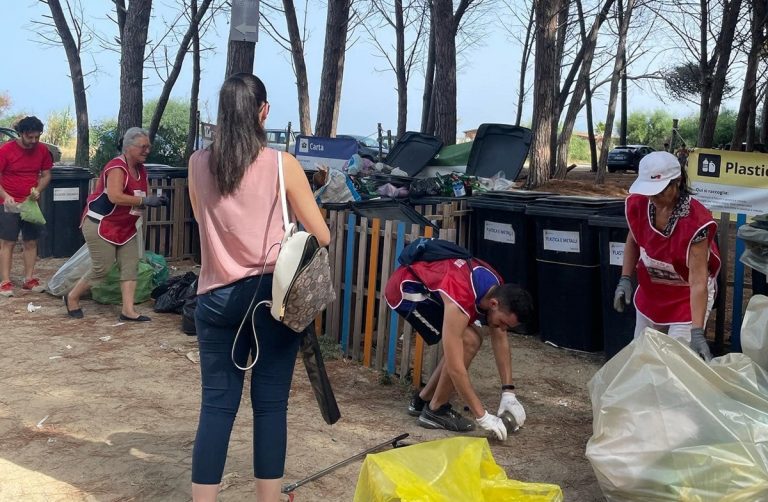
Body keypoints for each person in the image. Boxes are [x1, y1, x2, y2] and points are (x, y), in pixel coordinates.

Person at [187, 73, 330, 502]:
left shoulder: (197, 163)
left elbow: (201, 220)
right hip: (270, 300)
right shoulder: (280, 164)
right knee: (270, 407)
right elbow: (320, 235)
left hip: (213, 298)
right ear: (263, 112)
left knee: (216, 407)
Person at [385, 251, 534, 441]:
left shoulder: (496, 286)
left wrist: (508, 392)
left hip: (433, 286)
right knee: (469, 341)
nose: (503, 328)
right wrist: (483, 416)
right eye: (503, 321)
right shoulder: (461, 298)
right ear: (494, 304)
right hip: (407, 291)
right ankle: (435, 410)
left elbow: (500, 335)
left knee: (470, 338)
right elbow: (456, 369)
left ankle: (422, 400)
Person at [614, 151, 721, 361]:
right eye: (649, 192)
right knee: (642, 354)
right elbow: (633, 240)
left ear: (677, 182)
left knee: (675, 361)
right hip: (653, 291)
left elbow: (698, 281)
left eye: (660, 192)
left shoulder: (696, 222)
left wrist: (697, 332)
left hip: (686, 297)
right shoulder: (641, 205)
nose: (653, 198)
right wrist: (625, 278)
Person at [65, 127, 166, 320]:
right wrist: (144, 202)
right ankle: (72, 297)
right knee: (102, 268)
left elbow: (141, 194)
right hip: (100, 223)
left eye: (148, 147)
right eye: (143, 147)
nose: (147, 150)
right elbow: (115, 196)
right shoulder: (117, 167)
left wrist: (157, 199)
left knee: (130, 265)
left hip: (125, 226)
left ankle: (128, 311)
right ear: (128, 147)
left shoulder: (141, 169)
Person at [0, 116, 53, 296]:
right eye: (30, 137)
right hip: (9, 203)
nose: (34, 141)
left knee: (31, 241)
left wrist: (38, 189)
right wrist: (5, 196)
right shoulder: (6, 150)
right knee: (8, 242)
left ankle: (28, 279)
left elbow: (46, 175)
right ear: (21, 133)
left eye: (37, 137)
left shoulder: (43, 150)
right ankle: (5, 282)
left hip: (30, 204)